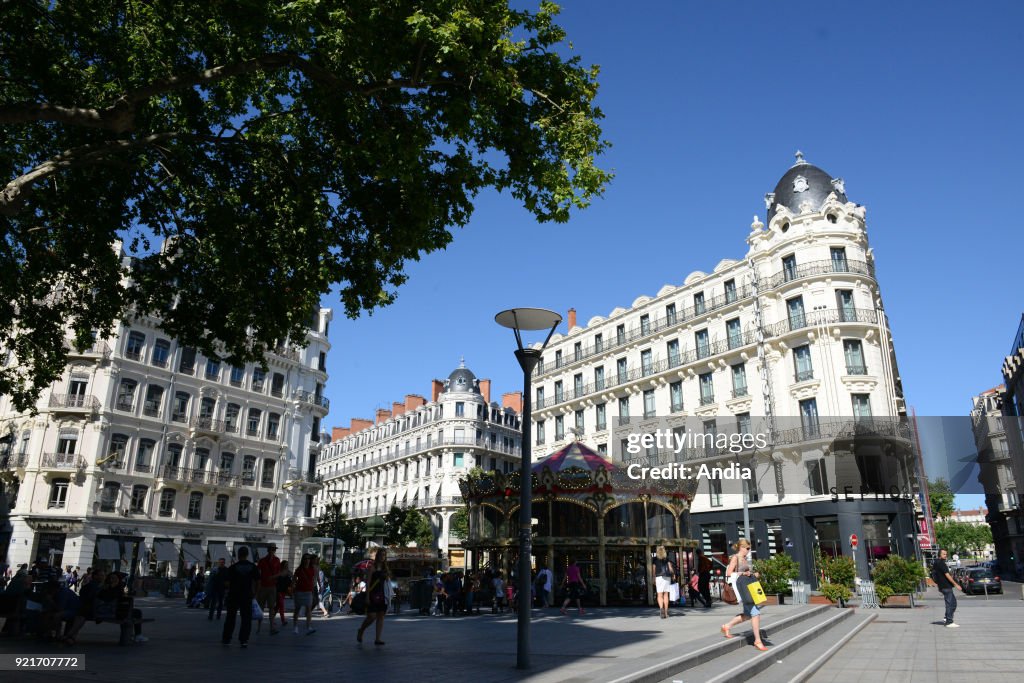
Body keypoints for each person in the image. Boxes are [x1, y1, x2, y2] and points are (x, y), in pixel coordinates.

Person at [719, 539, 767, 651]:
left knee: (748, 614)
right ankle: (757, 641)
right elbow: (729, 573)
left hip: (747, 587)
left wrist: (753, 574)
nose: (749, 551)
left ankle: (726, 626)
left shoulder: (744, 559)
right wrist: (743, 573)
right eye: (747, 548)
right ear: (741, 547)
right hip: (741, 588)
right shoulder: (735, 558)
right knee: (755, 612)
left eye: (749, 549)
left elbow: (746, 574)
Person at [222, 546, 260, 648]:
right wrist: (255, 594)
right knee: (246, 619)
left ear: (238, 555)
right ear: (247, 555)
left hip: (234, 595)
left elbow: (226, 583)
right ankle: (244, 640)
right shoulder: (252, 567)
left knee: (230, 617)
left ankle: (227, 639)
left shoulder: (232, 568)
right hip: (247, 595)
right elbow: (258, 581)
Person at [356, 548, 390, 645]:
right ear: (377, 555)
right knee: (372, 616)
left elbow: (387, 581)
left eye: (384, 555)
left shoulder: (385, 568)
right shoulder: (372, 567)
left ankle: (378, 638)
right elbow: (368, 582)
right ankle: (361, 630)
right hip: (373, 594)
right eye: (381, 555)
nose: (382, 557)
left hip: (382, 594)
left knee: (381, 616)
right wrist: (367, 597)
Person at [932, 548, 962, 628]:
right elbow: (947, 575)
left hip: (942, 586)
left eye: (946, 554)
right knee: (950, 604)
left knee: (952, 603)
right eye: (944, 554)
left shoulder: (936, 562)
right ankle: (949, 621)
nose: (945, 555)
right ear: (939, 554)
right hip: (946, 586)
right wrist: (956, 584)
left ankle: (946, 617)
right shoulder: (941, 563)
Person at [255, 544, 281, 634]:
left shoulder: (277, 560)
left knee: (271, 608)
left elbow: (279, 573)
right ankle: (258, 627)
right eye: (271, 549)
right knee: (260, 608)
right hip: (263, 586)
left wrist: (273, 577)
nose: (272, 551)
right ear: (268, 550)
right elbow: (258, 573)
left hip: (272, 587)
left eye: (273, 549)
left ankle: (272, 628)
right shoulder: (262, 561)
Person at [292, 554, 318, 635]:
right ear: (303, 560)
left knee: (309, 610)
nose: (307, 560)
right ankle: (295, 627)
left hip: (308, 592)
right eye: (305, 559)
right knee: (297, 609)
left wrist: (313, 591)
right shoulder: (299, 569)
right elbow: (294, 578)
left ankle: (308, 627)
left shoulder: (312, 569)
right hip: (299, 591)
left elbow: (313, 580)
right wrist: (294, 585)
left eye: (308, 559)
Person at [652, 546, 675, 619]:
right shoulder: (667, 559)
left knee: (659, 594)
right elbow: (670, 568)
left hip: (659, 577)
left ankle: (661, 609)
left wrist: (653, 578)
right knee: (666, 594)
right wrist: (673, 575)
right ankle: (666, 612)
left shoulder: (655, 559)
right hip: (667, 577)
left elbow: (654, 570)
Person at [275, 561, 291, 627]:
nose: (286, 566)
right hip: (278, 590)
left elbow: (292, 580)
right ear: (282, 565)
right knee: (281, 605)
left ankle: (272, 618)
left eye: (287, 564)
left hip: (284, 591)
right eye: (285, 564)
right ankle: (283, 620)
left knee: (278, 606)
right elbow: (276, 580)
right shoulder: (279, 571)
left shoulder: (288, 572)